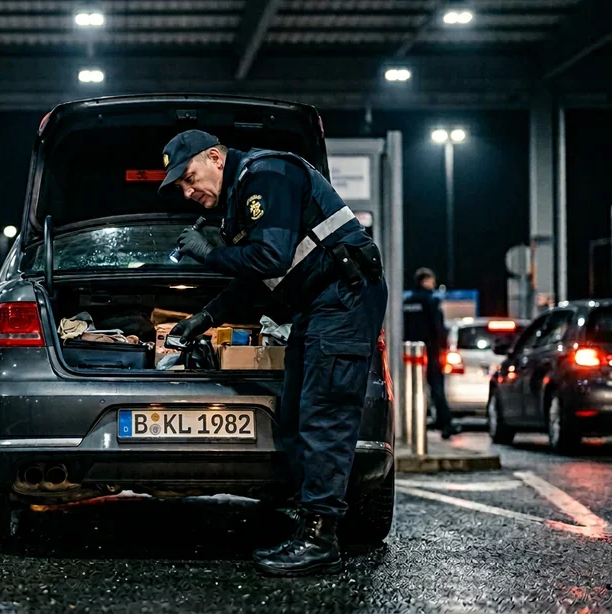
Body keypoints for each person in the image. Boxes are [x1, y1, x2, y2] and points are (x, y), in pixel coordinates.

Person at [160, 130, 387, 577]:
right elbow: (253, 283)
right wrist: (204, 319)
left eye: (189, 178)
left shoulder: (267, 174)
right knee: (297, 414)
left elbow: (269, 259)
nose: (188, 193)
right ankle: (308, 525)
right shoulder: (242, 198)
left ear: (214, 157)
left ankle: (320, 540)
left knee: (323, 414)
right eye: (181, 187)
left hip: (343, 299)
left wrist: (208, 255)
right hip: (318, 305)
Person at [403, 267, 457, 438]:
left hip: (409, 352)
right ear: (425, 281)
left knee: (411, 387)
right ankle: (445, 423)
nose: (433, 284)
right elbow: (438, 327)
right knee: (436, 387)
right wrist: (442, 347)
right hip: (430, 350)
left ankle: (411, 423)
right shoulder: (431, 301)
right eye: (431, 281)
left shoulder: (407, 302)